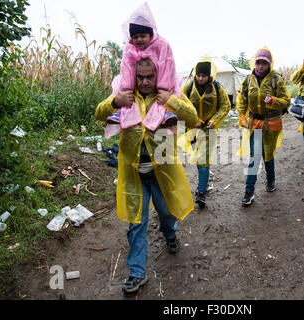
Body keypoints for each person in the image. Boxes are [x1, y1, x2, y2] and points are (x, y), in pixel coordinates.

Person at [95, 57, 199, 294]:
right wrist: (114, 101)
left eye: (149, 77)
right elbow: (99, 113)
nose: (144, 82)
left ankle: (170, 233)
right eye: (139, 77)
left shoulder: (167, 95)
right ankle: (137, 273)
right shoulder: (125, 96)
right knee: (136, 222)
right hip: (134, 175)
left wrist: (172, 101)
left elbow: (192, 118)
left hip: (161, 172)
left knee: (166, 212)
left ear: (157, 75)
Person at [105, 2, 178, 138]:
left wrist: (164, 89)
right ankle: (120, 112)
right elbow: (126, 67)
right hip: (132, 85)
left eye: (142, 36)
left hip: (163, 82)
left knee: (163, 99)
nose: (139, 40)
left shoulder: (161, 44)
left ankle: (166, 114)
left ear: (150, 34)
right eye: (135, 37)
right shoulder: (129, 47)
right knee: (124, 94)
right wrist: (125, 91)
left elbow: (167, 65)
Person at [236, 47, 291, 206]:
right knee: (255, 156)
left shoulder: (276, 79)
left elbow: (286, 101)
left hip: (272, 123)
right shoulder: (248, 79)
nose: (260, 66)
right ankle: (249, 192)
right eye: (258, 63)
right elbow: (242, 100)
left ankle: (271, 180)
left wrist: (273, 101)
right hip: (255, 123)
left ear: (269, 64)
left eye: (264, 63)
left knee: (268, 154)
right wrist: (242, 116)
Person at [180, 55, 231, 209]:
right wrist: (192, 119)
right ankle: (204, 183)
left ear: (209, 76)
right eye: (198, 75)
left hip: (209, 130)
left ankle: (201, 192)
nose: (200, 78)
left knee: (203, 159)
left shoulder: (217, 87)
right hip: (192, 129)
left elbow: (225, 106)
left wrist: (214, 120)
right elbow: (180, 104)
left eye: (203, 75)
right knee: (198, 159)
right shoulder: (188, 87)